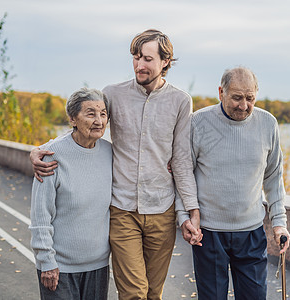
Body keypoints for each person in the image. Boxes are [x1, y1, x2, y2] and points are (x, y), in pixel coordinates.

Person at [30, 29, 202, 300]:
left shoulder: (180, 101)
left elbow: (181, 159)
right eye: (135, 57)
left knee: (153, 294)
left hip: (162, 210)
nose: (139, 65)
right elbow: (85, 122)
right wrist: (44, 149)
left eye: (147, 58)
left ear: (165, 62)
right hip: (122, 211)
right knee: (134, 293)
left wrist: (191, 210)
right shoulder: (113, 94)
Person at [176, 67, 290, 299]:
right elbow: (183, 174)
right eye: (237, 97)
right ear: (221, 92)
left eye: (250, 98)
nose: (244, 105)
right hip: (208, 234)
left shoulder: (268, 124)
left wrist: (279, 222)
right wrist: (184, 216)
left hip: (251, 233)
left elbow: (273, 176)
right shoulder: (198, 122)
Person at [29, 88, 112, 299]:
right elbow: (40, 215)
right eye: (90, 113)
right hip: (59, 267)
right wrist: (46, 261)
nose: (99, 121)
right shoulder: (50, 156)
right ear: (73, 119)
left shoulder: (110, 153)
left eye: (103, 113)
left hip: (98, 265)